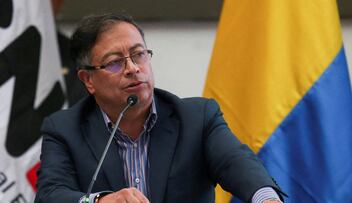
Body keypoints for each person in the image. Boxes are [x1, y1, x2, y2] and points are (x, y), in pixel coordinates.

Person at [35, 13, 286, 203]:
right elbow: (50, 195)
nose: (133, 68)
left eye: (139, 54)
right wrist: (101, 201)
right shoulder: (64, 129)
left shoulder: (197, 119)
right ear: (88, 80)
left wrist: (266, 198)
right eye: (114, 63)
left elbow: (239, 165)